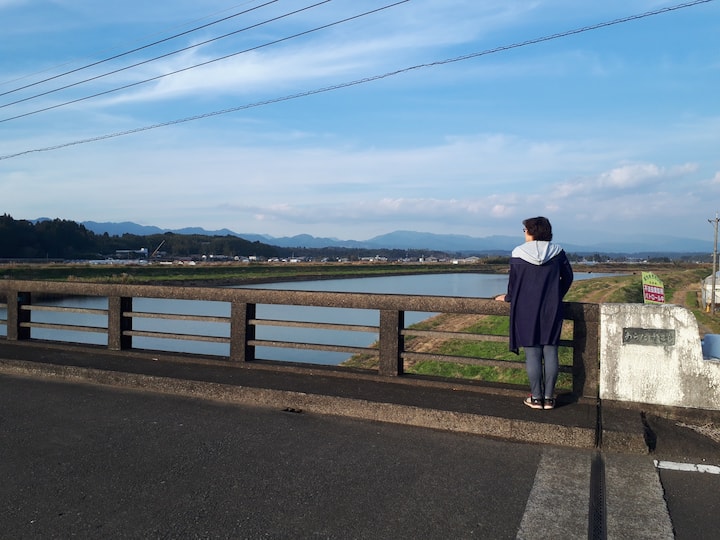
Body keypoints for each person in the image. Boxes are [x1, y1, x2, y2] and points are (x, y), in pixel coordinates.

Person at [494, 216, 573, 410]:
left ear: (530, 231)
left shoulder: (518, 253)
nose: (524, 233)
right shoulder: (557, 252)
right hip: (551, 308)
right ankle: (549, 398)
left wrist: (508, 297)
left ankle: (536, 398)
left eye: (525, 230)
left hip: (525, 308)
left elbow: (513, 284)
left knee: (532, 353)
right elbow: (568, 277)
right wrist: (556, 295)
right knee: (551, 350)